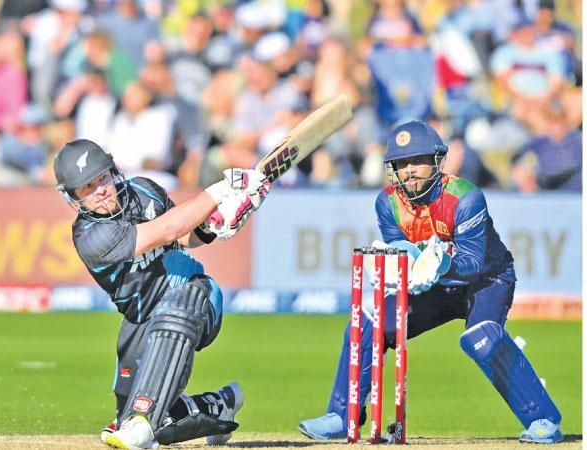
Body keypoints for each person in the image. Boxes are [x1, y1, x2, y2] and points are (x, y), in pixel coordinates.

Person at [298, 121, 563, 444]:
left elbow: (472, 263)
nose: (409, 171)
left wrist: (437, 265)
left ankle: (543, 419)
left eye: (417, 161)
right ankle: (342, 416)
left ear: (437, 161)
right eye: (401, 164)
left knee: (481, 339)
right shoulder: (388, 203)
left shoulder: (466, 198)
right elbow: (404, 252)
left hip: (487, 280)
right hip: (438, 287)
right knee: (368, 322)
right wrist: (400, 269)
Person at [53, 139, 270, 449]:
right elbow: (165, 230)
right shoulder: (90, 237)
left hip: (197, 296)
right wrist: (223, 190)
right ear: (73, 197)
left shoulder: (144, 189)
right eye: (86, 187)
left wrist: (216, 225)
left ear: (112, 171)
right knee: (153, 423)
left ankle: (144, 423)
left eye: (101, 178)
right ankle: (219, 403)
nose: (99, 189)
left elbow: (183, 235)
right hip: (141, 321)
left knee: (143, 419)